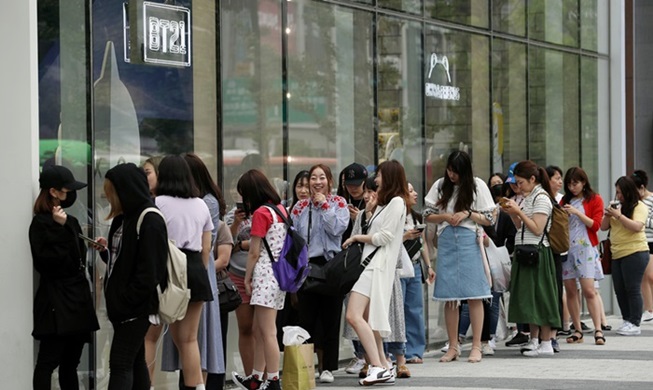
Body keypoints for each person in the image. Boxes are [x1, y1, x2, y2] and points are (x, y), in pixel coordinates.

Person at [160, 153, 227, 389]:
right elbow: (207, 248)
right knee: (188, 339)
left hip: (169, 269)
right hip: (196, 270)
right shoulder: (201, 204)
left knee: (158, 335)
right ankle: (198, 385)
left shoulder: (158, 203)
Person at [30, 165, 100, 390]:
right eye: (66, 189)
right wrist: (59, 230)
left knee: (71, 363)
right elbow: (47, 262)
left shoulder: (69, 221)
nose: (70, 194)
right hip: (56, 302)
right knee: (48, 361)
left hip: (76, 299)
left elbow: (77, 257)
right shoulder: (42, 223)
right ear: (53, 192)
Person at [99, 163, 168, 389]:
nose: (108, 198)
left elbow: (150, 272)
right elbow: (123, 261)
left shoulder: (150, 219)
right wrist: (106, 253)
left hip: (135, 308)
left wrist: (126, 300)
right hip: (123, 307)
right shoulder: (123, 218)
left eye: (111, 193)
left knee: (119, 363)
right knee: (135, 361)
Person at [423, 151, 494, 363]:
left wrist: (468, 213)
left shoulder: (477, 185)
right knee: (449, 297)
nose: (451, 175)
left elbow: (490, 218)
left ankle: (476, 346)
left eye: (455, 172)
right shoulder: (439, 185)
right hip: (446, 240)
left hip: (468, 240)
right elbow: (427, 214)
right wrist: (444, 216)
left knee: (475, 294)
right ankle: (453, 345)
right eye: (449, 170)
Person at [343, 160, 409, 386]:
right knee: (371, 321)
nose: (376, 178)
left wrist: (356, 237)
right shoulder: (385, 203)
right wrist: (369, 213)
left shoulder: (398, 202)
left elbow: (385, 237)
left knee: (353, 315)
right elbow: (376, 232)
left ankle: (378, 366)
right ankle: (383, 364)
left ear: (388, 176)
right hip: (371, 265)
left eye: (379, 174)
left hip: (376, 267)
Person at [291, 164, 349, 383]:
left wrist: (324, 206)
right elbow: (294, 237)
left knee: (331, 318)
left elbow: (337, 230)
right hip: (308, 265)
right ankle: (307, 366)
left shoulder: (338, 203)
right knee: (306, 318)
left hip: (332, 264)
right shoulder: (300, 207)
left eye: (321, 177)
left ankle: (328, 368)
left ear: (329, 181)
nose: (316, 182)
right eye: (313, 178)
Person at [231, 169, 287, 390]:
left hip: (264, 274)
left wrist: (246, 279)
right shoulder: (281, 210)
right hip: (279, 275)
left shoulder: (261, 214)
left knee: (267, 331)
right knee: (259, 329)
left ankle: (272, 379)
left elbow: (254, 252)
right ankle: (256, 378)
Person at [501, 160, 560, 357]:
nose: (518, 187)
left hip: (537, 252)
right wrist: (513, 214)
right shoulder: (529, 197)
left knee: (541, 297)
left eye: (520, 182)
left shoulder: (541, 197)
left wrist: (518, 211)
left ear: (532, 179)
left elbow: (537, 228)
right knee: (529, 298)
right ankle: (534, 340)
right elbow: (522, 227)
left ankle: (546, 341)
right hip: (526, 251)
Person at [560, 167, 606, 345]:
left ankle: (598, 329)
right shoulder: (565, 200)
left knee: (589, 290)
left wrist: (577, 213)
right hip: (567, 248)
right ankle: (577, 329)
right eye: (569, 184)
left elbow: (596, 225)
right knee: (571, 290)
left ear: (584, 182)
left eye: (576, 183)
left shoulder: (594, 199)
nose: (572, 187)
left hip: (586, 248)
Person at [601, 176, 649, 336]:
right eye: (616, 192)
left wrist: (619, 216)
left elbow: (637, 227)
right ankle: (627, 319)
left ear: (628, 192)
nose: (618, 195)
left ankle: (635, 322)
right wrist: (608, 215)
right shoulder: (615, 206)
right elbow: (603, 227)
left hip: (635, 252)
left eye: (620, 192)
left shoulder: (639, 206)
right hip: (617, 253)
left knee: (632, 288)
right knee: (620, 289)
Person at [401, 182, 435, 366]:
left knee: (415, 310)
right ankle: (398, 351)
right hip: (398, 267)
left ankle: (414, 351)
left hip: (414, 266)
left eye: (414, 190)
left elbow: (422, 246)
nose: (415, 194)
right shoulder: (394, 216)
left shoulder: (416, 216)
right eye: (410, 191)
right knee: (398, 311)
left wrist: (429, 267)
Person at [630, 169, 653, 323]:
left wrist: (643, 220)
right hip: (639, 241)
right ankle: (649, 309)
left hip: (651, 240)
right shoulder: (633, 201)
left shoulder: (651, 200)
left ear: (642, 187)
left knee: (650, 276)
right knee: (645, 276)